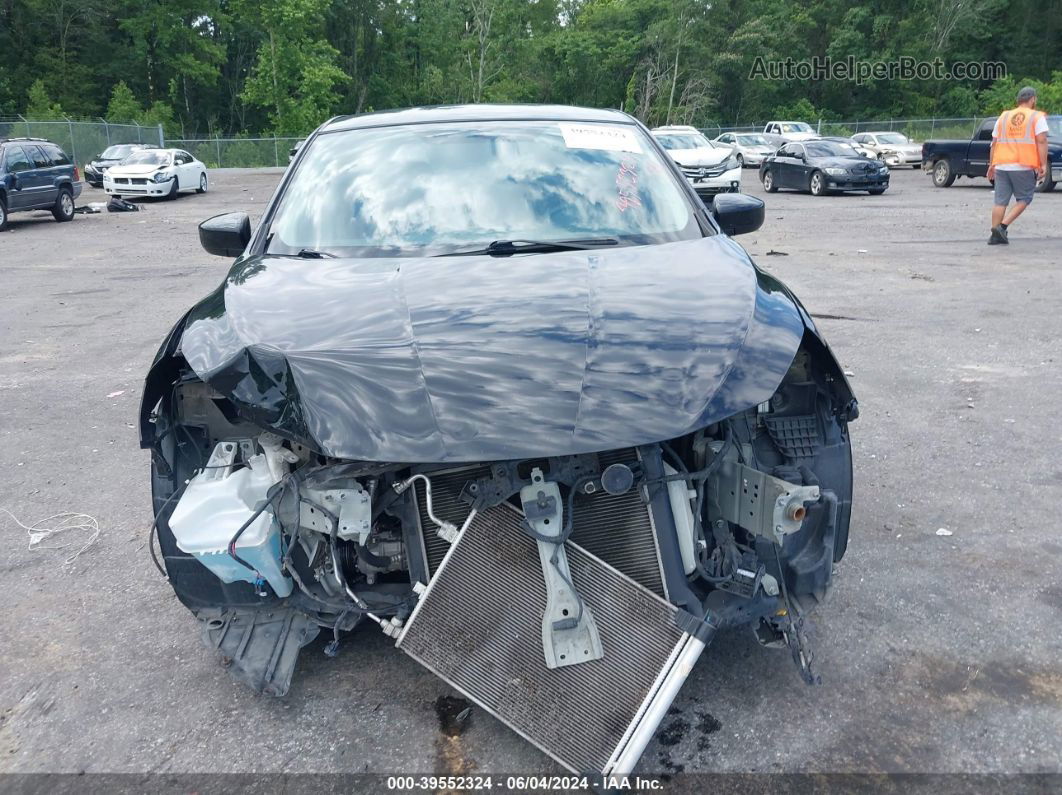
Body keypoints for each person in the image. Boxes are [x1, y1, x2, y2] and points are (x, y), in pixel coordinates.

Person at [986, 86, 1049, 245]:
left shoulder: (1004, 116)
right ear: (1033, 99)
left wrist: (991, 165)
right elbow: (1041, 141)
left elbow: (994, 143)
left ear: (1018, 100)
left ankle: (994, 235)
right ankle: (1002, 227)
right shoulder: (1036, 116)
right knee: (1025, 198)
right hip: (1023, 165)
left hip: (1001, 164)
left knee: (1000, 201)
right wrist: (1043, 164)